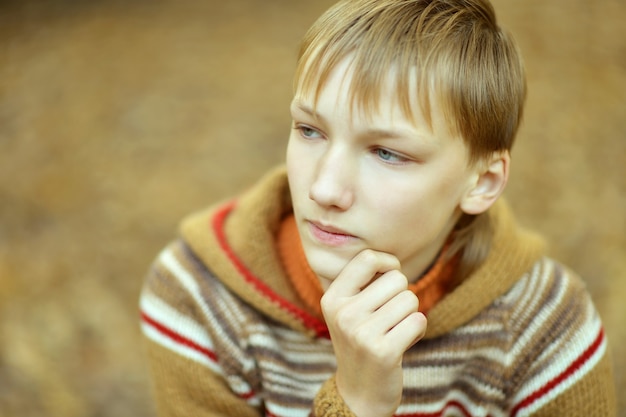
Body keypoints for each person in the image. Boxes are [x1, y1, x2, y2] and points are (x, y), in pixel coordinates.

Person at [139, 0, 617, 415]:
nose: (325, 189)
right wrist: (356, 403)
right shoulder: (198, 298)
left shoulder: (545, 327)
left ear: (482, 182)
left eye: (388, 153)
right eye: (310, 130)